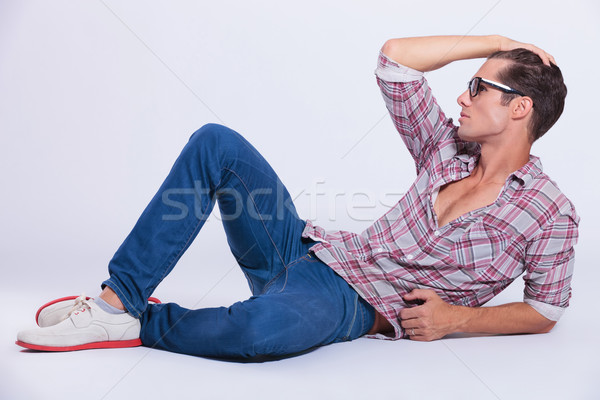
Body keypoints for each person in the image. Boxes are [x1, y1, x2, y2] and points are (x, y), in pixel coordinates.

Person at [16, 34, 578, 359]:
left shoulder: (549, 212)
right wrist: (499, 44)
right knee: (218, 144)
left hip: (351, 302)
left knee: (259, 334)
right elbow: (395, 60)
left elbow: (546, 309)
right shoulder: (445, 148)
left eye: (480, 87)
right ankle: (118, 303)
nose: (462, 95)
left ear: (520, 108)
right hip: (302, 246)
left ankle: (143, 325)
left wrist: (455, 320)